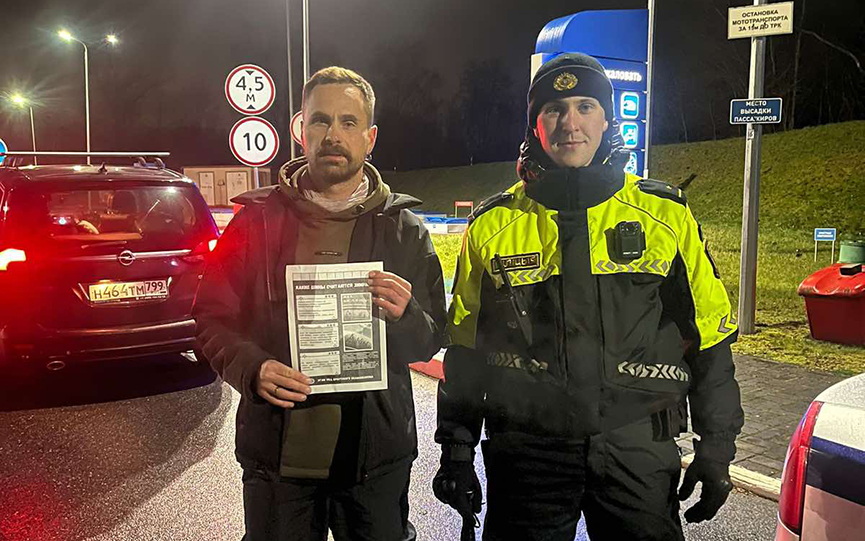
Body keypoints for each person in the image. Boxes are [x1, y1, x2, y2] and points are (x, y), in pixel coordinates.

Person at [433, 53, 744, 541]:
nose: (570, 123)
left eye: (585, 106)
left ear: (606, 119)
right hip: (528, 455)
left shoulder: (665, 215)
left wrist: (717, 448)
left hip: (637, 449)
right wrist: (456, 450)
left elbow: (710, 339)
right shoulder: (493, 225)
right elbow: (465, 353)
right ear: (535, 125)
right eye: (554, 109)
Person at [194, 66, 447, 541]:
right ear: (301, 130)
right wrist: (252, 368)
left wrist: (407, 315)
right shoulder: (254, 222)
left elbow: (430, 338)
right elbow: (211, 319)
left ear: (370, 137)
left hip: (374, 463)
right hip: (277, 464)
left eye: (349, 122)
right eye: (320, 120)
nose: (334, 135)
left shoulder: (403, 228)